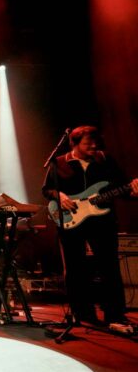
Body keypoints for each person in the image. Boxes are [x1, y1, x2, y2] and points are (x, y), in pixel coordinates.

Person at [42, 125, 138, 327]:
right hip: (71, 220)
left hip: (103, 221)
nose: (94, 146)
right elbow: (47, 189)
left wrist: (133, 191)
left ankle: (115, 314)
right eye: (88, 143)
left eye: (96, 142)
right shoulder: (59, 162)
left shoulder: (105, 160)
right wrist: (59, 195)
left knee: (109, 266)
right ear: (74, 144)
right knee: (75, 267)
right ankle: (83, 313)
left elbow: (122, 188)